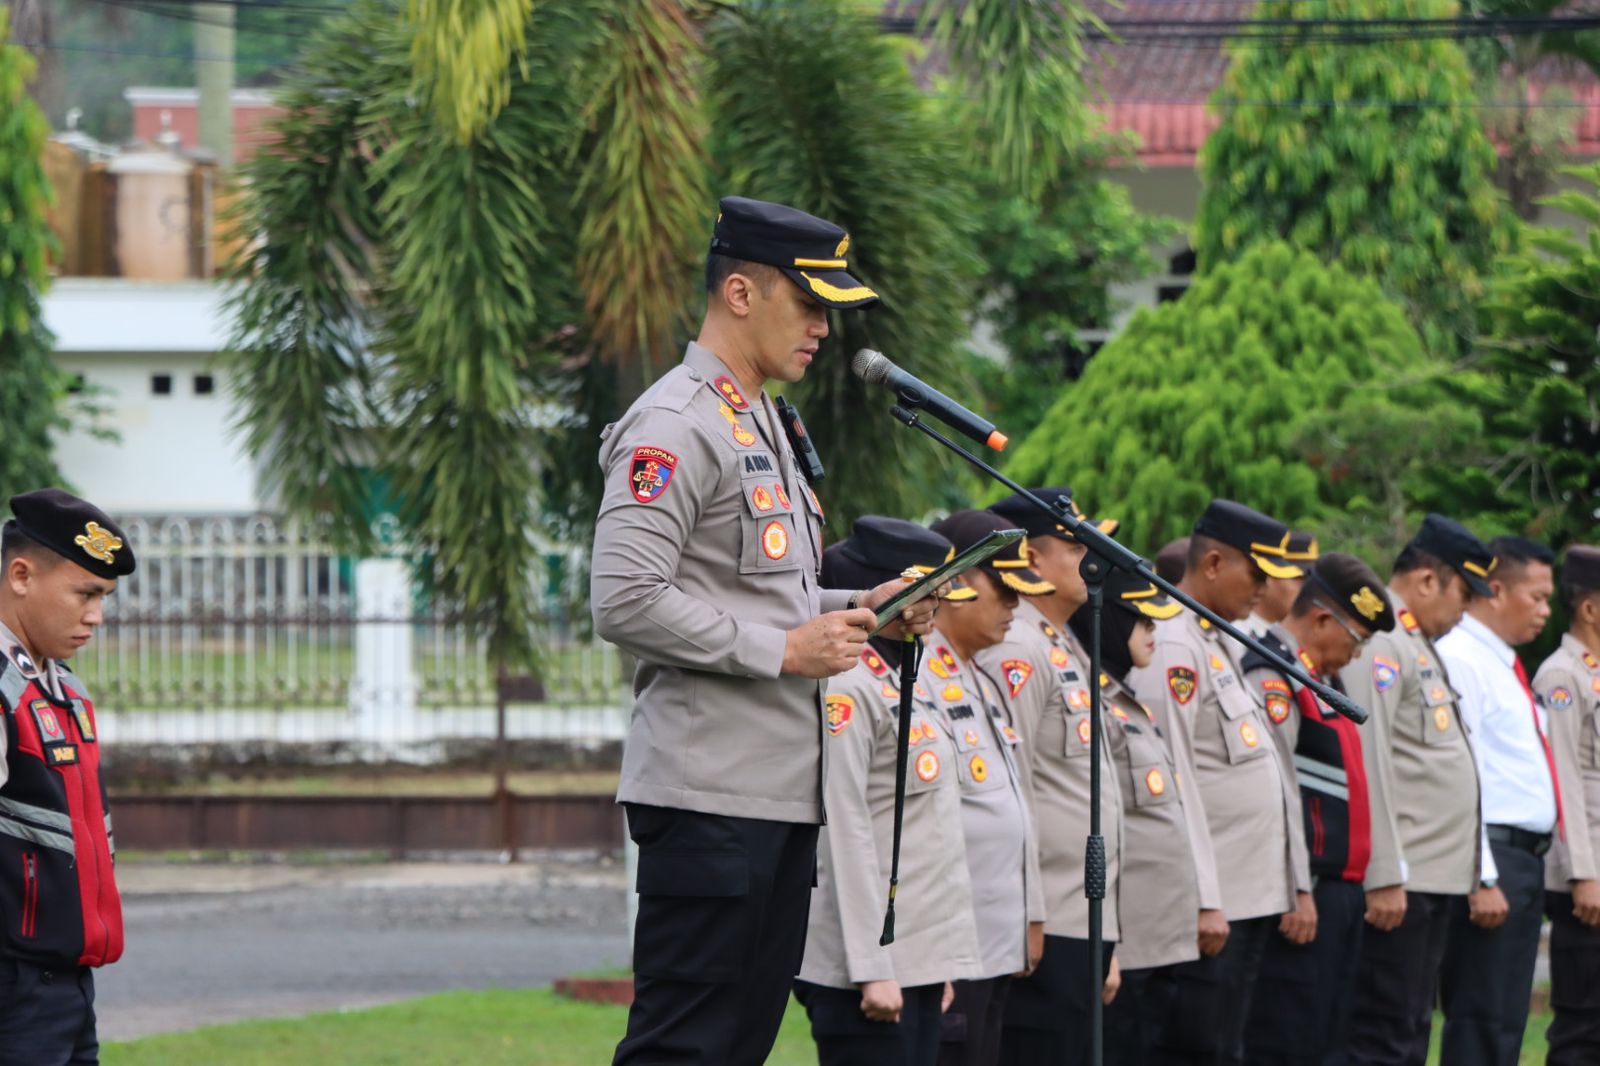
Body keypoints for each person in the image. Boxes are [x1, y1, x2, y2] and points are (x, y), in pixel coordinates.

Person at [592, 196, 937, 1065]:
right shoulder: (676, 424)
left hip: (774, 798)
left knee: (737, 1047)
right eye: (809, 302)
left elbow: (763, 597)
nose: (823, 326)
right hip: (709, 798)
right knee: (686, 1048)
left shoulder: (762, 424)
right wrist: (783, 652)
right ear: (739, 293)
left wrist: (866, 605)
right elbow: (624, 598)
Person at [1126, 498, 1307, 1066]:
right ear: (1212, 565)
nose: (1264, 590)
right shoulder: (1175, 646)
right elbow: (1175, 778)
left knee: (1226, 1047)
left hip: (1248, 895)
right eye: (1256, 575)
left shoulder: (1217, 640)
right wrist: (1205, 899)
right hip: (1214, 899)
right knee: (1196, 1047)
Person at [796, 517, 983, 1066]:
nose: (936, 611)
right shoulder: (849, 683)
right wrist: (870, 969)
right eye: (929, 597)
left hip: (914, 960)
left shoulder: (899, 674)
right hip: (869, 971)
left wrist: (934, 962)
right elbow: (845, 829)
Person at [972, 488, 1126, 1066]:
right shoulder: (1016, 645)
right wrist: (1029, 911)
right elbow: (1015, 788)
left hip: (1080, 914)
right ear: (1031, 559)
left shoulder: (1065, 643)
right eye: (1075, 544)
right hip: (1047, 920)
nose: (1093, 555)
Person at [1344, 514, 1495, 1066]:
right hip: (1401, 880)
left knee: (1409, 1028)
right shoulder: (1385, 639)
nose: (1466, 609)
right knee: (1385, 1034)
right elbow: (1370, 759)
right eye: (1463, 592)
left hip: (1431, 878)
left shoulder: (1419, 642)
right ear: (1428, 580)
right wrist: (1382, 873)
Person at [1240, 553, 1396, 1066]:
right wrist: (1297, 885)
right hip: (1308, 892)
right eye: (1357, 639)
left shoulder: (1323, 679)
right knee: (1288, 1035)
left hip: (1340, 892)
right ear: (1323, 620)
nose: (1356, 655)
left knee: (1331, 1036)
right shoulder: (1274, 672)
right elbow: (1278, 788)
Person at [0, 488, 137, 1064]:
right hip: (14, 990)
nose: (96, 616)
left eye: (103, 596)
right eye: (85, 593)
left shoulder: (59, 686)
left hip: (68, 985)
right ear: (22, 575)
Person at [926, 509, 1052, 1066]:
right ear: (952, 581)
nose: (1015, 604)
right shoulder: (919, 673)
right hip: (952, 940)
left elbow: (1012, 808)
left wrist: (1030, 911)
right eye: (1002, 588)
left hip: (993, 939)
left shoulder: (976, 674)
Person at [1435, 535, 1557, 1066]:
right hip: (1494, 859)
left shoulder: (1503, 663)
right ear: (1496, 589)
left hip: (1522, 860)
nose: (1545, 610)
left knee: (1506, 1019)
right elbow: (1464, 774)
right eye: (1537, 596)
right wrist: (1481, 875)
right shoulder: (1461, 658)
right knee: (1482, 1019)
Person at [1072, 569, 1199, 1066]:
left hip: (1162, 937)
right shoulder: (1098, 704)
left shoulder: (1127, 701)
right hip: (1128, 941)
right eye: (1140, 619)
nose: (1153, 631)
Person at [1538, 544, 1600, 1065]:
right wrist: (1582, 873)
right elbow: (1563, 780)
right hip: (1587, 882)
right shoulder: (1562, 677)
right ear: (1590, 608)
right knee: (1583, 1023)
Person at [1244, 531, 1318, 638]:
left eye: (1311, 581)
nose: (1307, 588)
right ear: (1269, 573)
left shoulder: (1294, 641)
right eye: (1299, 578)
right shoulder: (1231, 631)